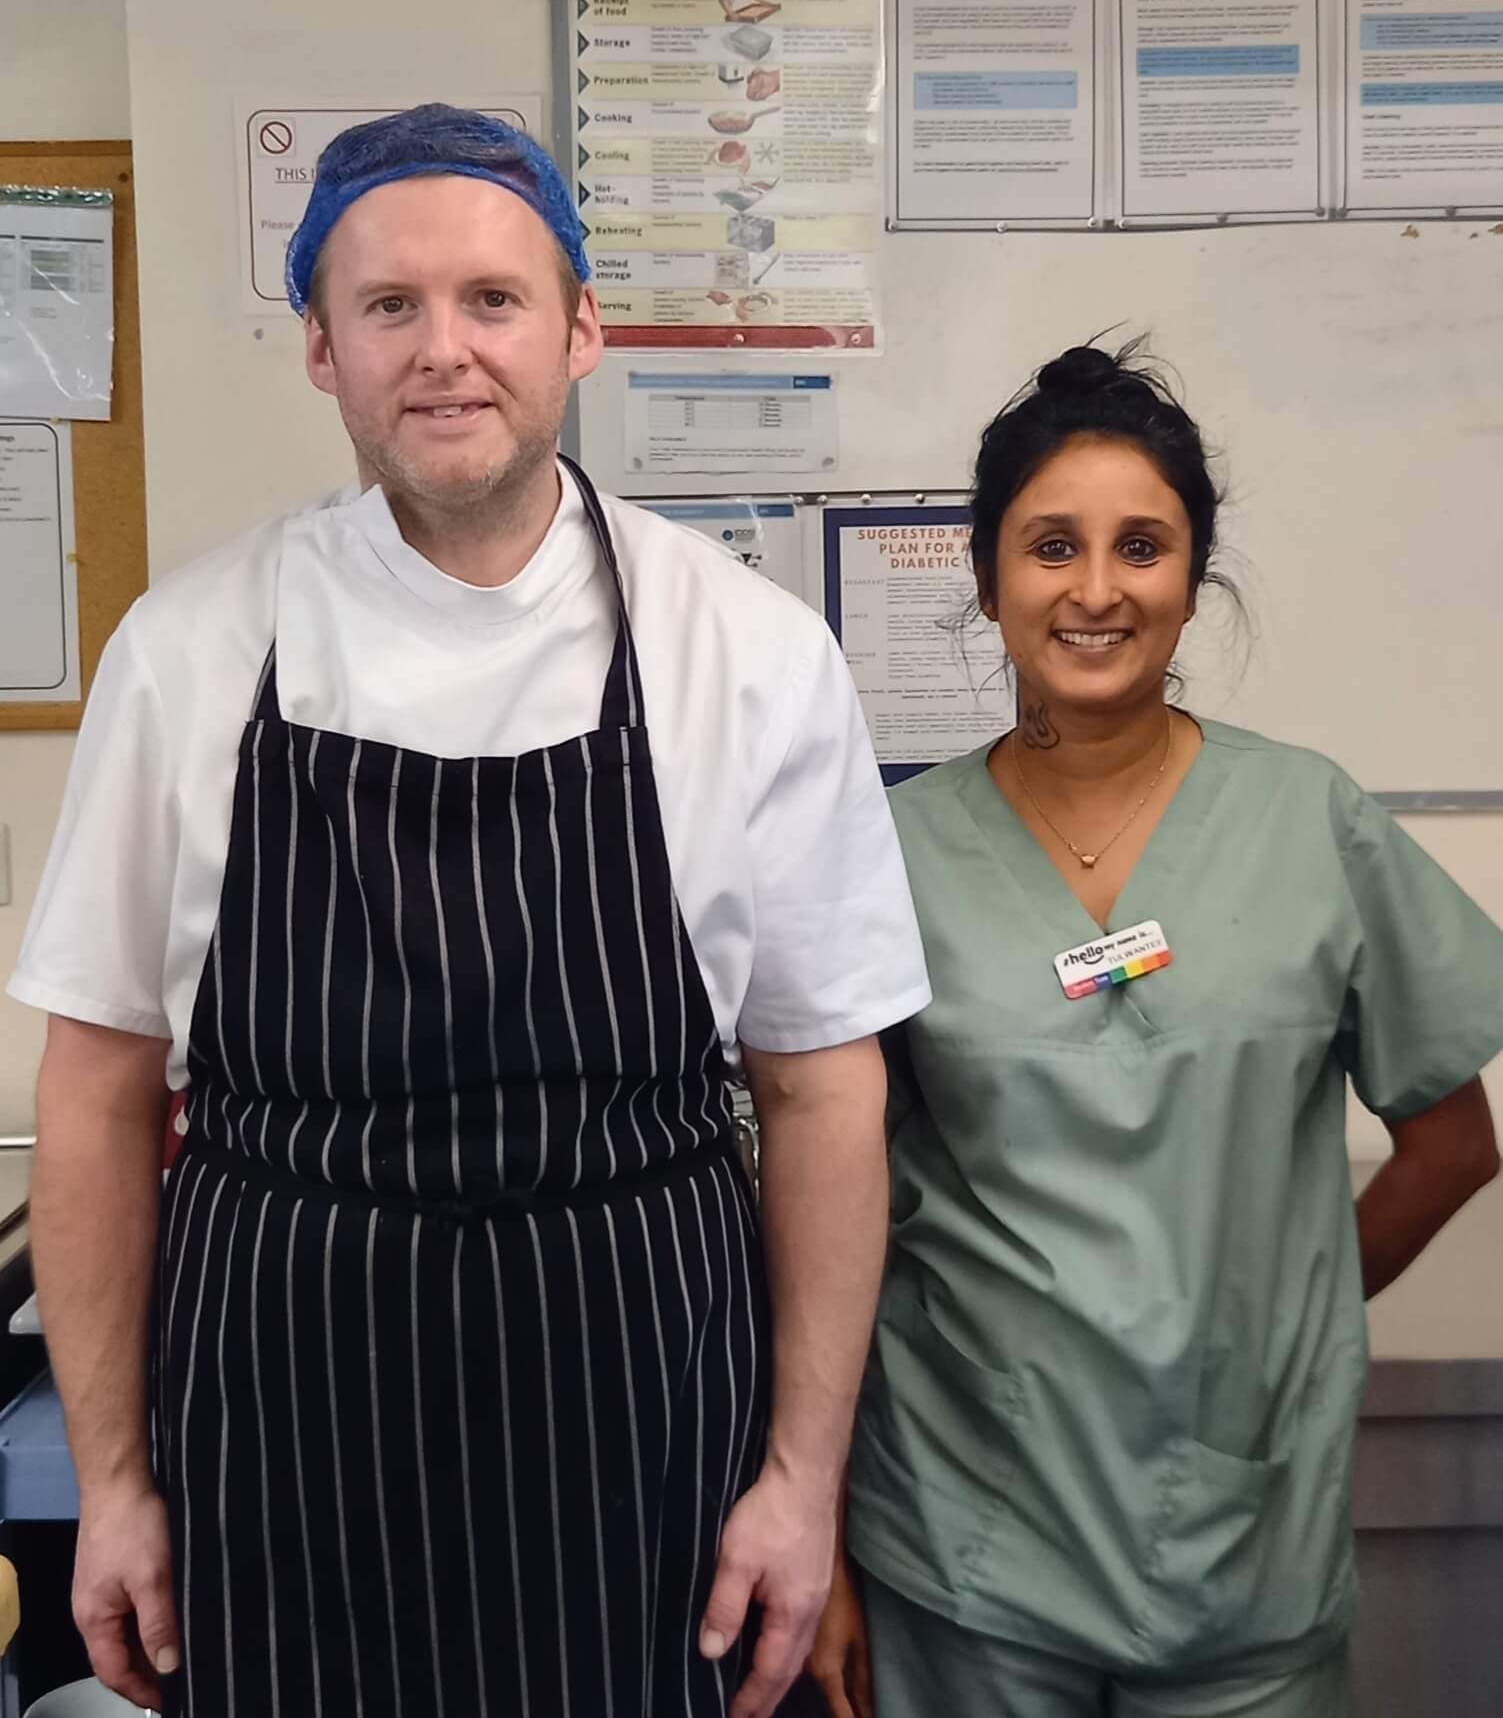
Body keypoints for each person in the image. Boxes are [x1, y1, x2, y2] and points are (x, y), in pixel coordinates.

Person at [9, 105, 930, 1718]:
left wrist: (802, 1478)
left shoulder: (751, 652)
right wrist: (114, 1481)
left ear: (580, 328)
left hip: (640, 1415)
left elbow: (822, 1089)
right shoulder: (189, 651)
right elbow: (92, 1092)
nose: (446, 351)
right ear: (322, 353)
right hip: (284, 1427)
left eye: (494, 300)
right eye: (389, 308)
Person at [813, 344, 1503, 1717]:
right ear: (987, 578)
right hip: (964, 1547)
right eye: (1049, 546)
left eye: (1143, 546)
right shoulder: (887, 854)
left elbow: (1452, 1144)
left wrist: (1270, 1323)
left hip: (1241, 1551)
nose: (1095, 589)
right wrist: (817, 1531)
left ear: (1193, 581)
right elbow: (825, 1201)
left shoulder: (1313, 824)